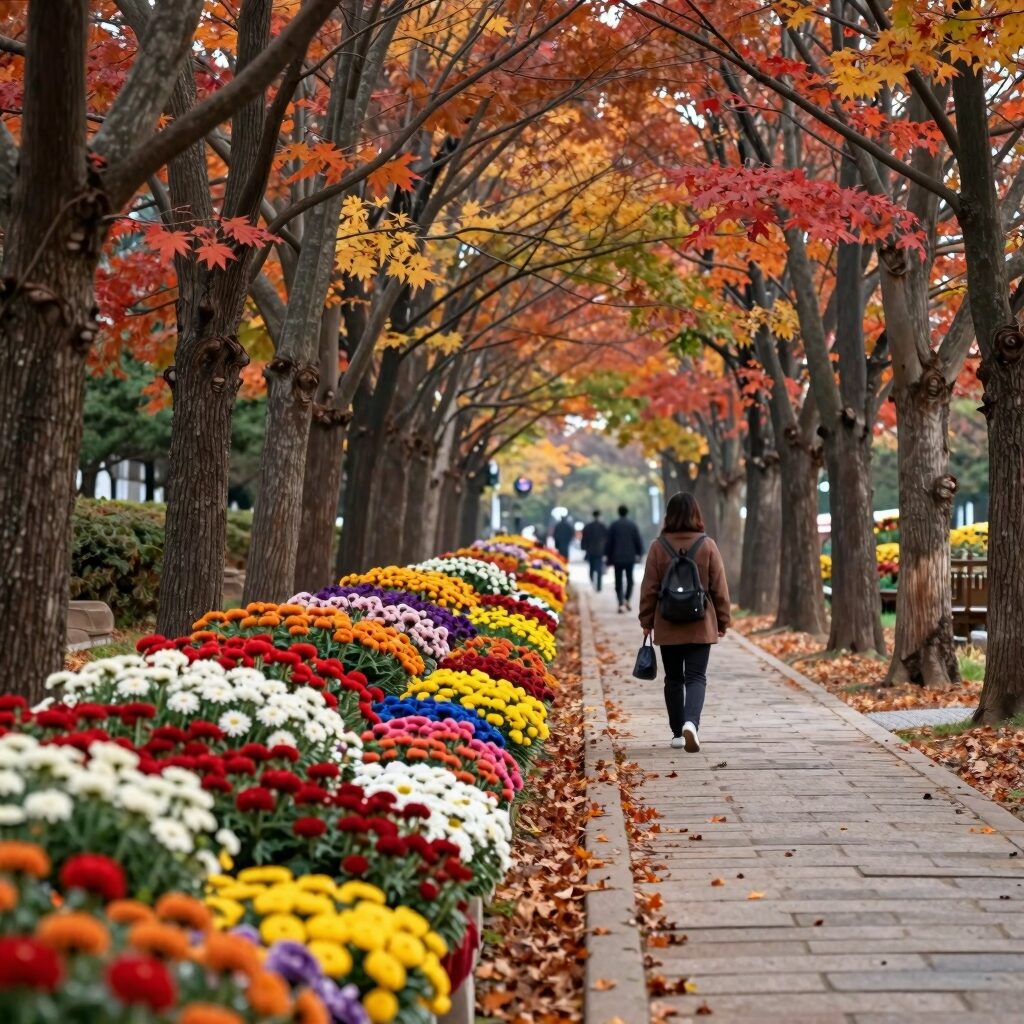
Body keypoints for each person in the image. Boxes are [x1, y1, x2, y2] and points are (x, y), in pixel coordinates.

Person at [638, 492, 731, 753]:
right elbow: (719, 587)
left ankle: (677, 732)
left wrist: (646, 620)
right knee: (696, 677)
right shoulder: (707, 544)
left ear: (669, 516)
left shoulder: (658, 546)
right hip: (701, 622)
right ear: (696, 515)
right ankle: (692, 723)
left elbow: (649, 587)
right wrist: (722, 620)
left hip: (667, 623)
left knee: (673, 679)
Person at [605, 504, 644, 612]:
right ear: (627, 512)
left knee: (618, 581)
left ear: (619, 512)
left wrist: (607, 556)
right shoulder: (632, 525)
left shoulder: (614, 525)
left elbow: (609, 543)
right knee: (630, 579)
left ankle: (620, 602)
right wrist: (639, 554)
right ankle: (627, 599)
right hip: (630, 557)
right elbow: (638, 541)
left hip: (617, 557)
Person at [580, 510, 608, 591]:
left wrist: (584, 547)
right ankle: (598, 586)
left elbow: (584, 538)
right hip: (600, 551)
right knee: (599, 569)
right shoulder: (603, 526)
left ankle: (593, 581)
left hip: (590, 551)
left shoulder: (588, 526)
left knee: (591, 568)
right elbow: (607, 539)